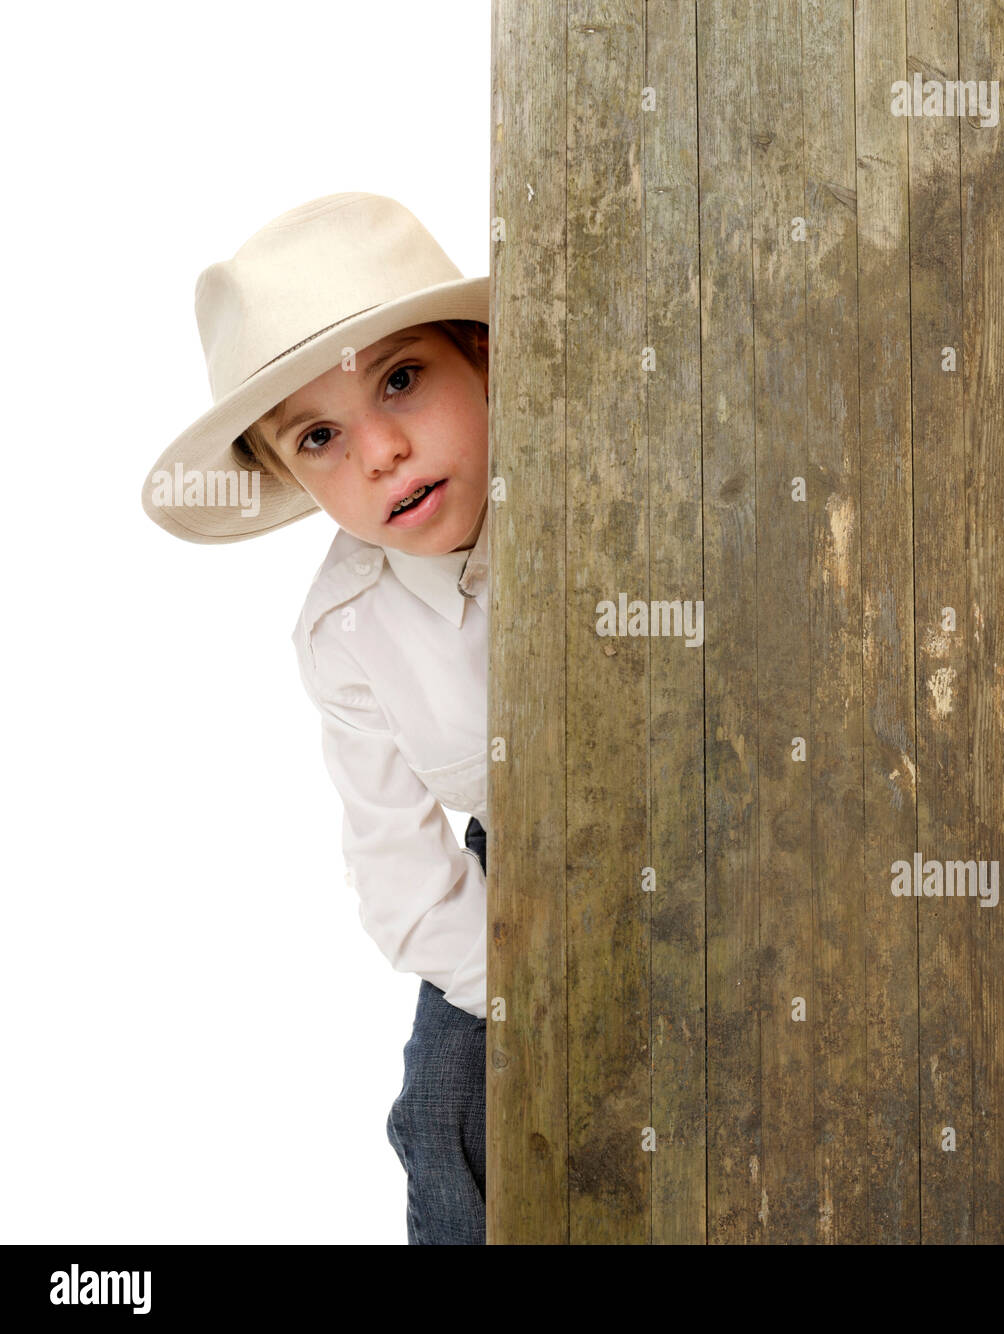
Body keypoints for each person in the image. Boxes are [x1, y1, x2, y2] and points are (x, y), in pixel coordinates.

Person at [140, 192, 492, 1245]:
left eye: (401, 378)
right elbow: (402, 878)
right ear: (290, 477)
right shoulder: (346, 635)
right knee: (441, 1112)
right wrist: (554, 992)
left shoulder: (607, 488)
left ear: (482, 357)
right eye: (321, 437)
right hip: (523, 871)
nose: (380, 448)